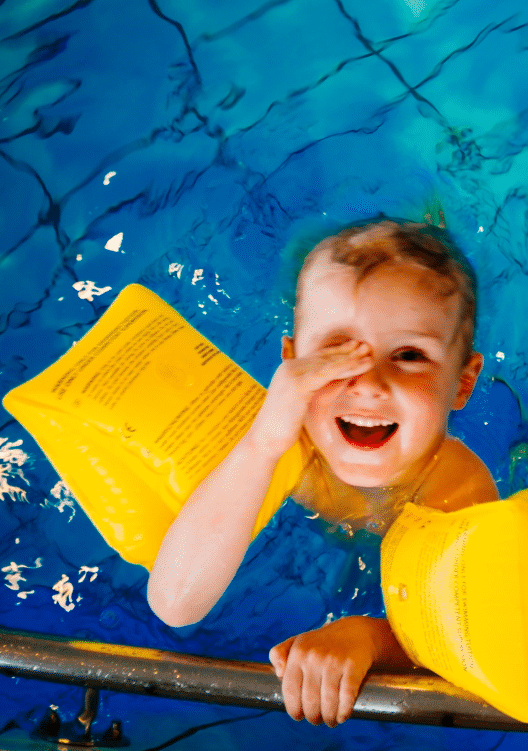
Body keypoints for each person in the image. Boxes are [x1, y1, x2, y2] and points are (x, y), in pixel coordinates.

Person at [148, 219, 498, 727]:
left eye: (410, 355)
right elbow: (175, 603)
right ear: (290, 363)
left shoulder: (457, 488)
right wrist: (263, 444)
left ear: (462, 384)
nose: (370, 384)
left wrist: (370, 639)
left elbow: (469, 631)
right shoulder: (282, 443)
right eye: (337, 351)